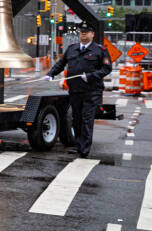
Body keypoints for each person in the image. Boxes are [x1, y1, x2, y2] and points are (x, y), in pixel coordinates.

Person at [45, 22, 112, 157]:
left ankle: (84, 149)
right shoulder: (72, 49)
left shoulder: (100, 50)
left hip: (91, 91)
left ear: (92, 34)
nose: (83, 34)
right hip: (75, 90)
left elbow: (106, 69)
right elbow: (61, 63)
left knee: (87, 119)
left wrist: (90, 76)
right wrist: (50, 74)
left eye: (86, 32)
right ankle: (78, 145)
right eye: (81, 32)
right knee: (76, 119)